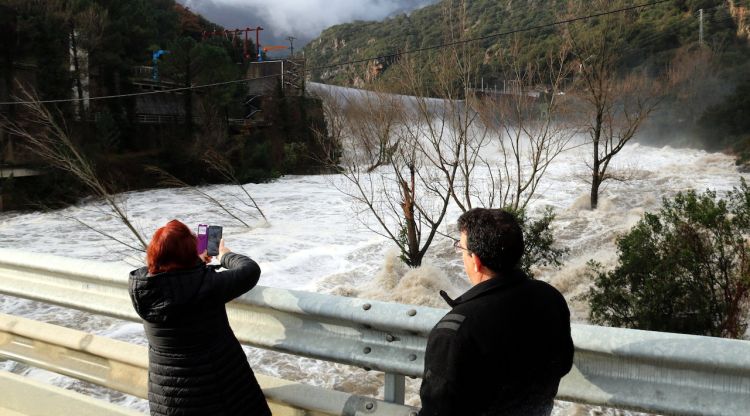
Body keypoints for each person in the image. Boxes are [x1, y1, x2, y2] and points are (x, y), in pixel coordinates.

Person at [418, 208, 574, 416]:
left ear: (476, 261)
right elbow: (563, 364)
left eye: (461, 248)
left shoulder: (455, 331)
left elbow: (437, 410)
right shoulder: (550, 298)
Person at [128, 220, 271, 416]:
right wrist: (225, 255)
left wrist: (194, 264)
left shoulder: (143, 288)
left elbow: (174, 279)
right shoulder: (207, 286)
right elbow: (250, 270)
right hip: (218, 392)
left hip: (169, 397)